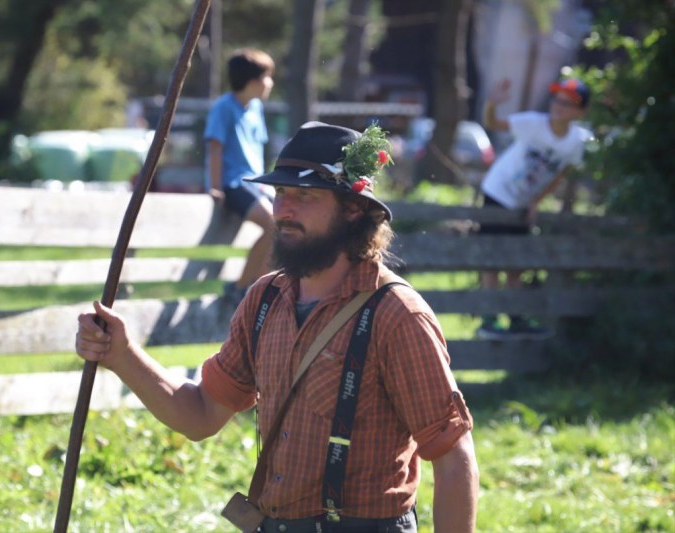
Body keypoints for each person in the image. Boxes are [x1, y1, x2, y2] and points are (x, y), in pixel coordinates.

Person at [76, 122, 479, 532]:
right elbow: (200, 415)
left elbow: (453, 457)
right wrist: (121, 355)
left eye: (304, 196)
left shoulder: (396, 315)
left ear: (353, 209)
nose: (283, 210)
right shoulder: (265, 300)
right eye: (280, 193)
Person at [476, 76, 592, 340]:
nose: (559, 106)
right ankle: (488, 320)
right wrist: (492, 103)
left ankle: (515, 317)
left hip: (521, 203)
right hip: (497, 192)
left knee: (517, 263)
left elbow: (560, 173)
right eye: (557, 99)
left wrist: (535, 202)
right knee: (492, 258)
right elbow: (492, 122)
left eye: (568, 102)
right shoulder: (533, 123)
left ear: (580, 111)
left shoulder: (576, 141)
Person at [205, 48, 277, 307]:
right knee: (273, 225)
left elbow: (257, 149)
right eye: (267, 77)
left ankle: (257, 290)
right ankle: (240, 288)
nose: (271, 83)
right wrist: (215, 187)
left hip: (256, 184)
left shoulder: (256, 108)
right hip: (233, 183)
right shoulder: (224, 107)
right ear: (252, 80)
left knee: (286, 225)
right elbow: (215, 147)